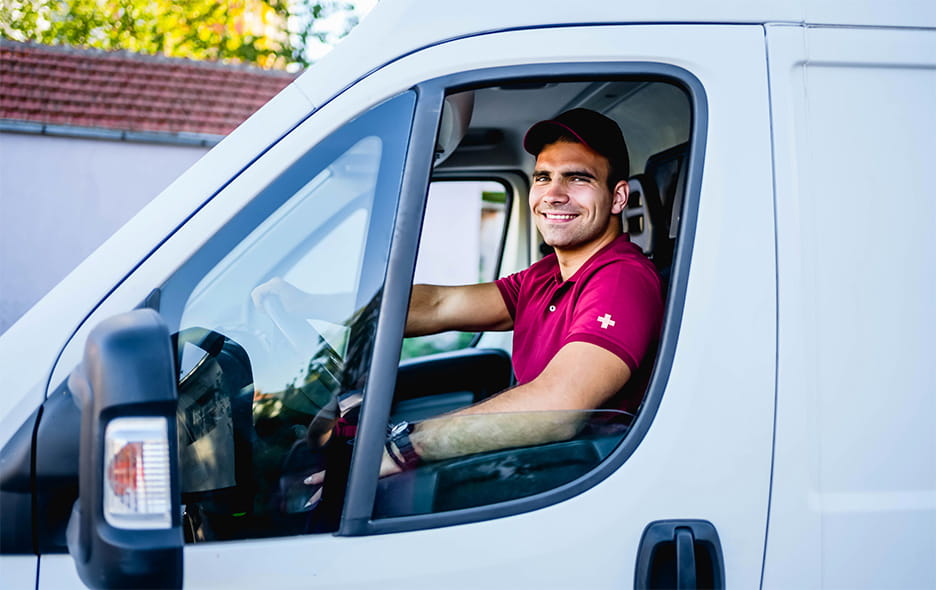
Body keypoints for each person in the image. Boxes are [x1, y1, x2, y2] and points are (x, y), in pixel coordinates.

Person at [380, 108, 663, 475]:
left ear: (618, 197)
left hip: (581, 481)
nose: (554, 195)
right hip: (542, 467)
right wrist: (336, 313)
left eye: (578, 179)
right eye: (543, 177)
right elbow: (437, 305)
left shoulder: (623, 280)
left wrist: (404, 447)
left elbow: (559, 407)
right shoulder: (546, 275)